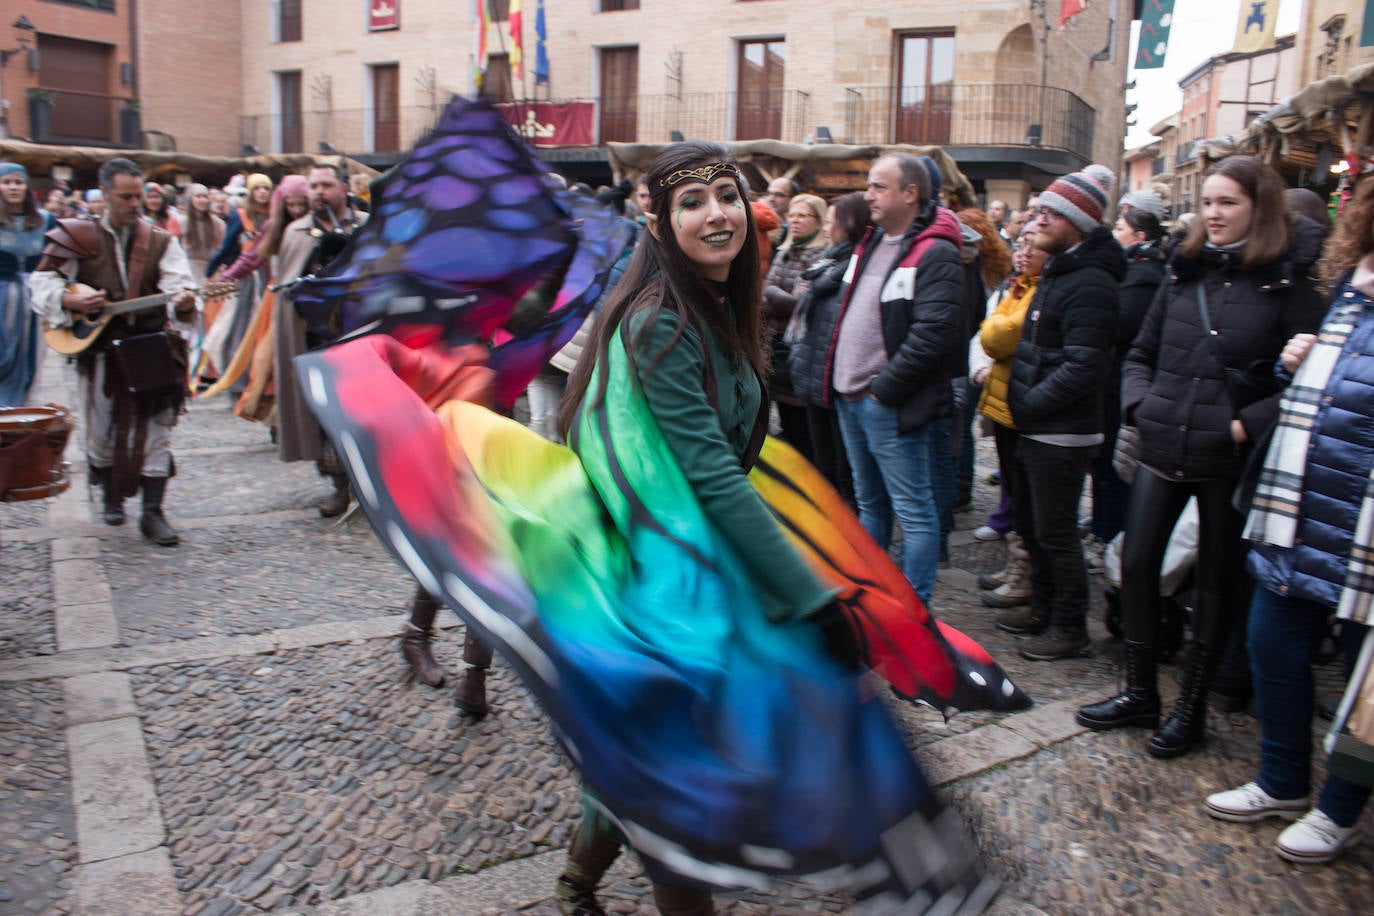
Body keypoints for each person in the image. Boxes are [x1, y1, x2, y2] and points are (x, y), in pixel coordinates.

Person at [1076, 155, 1326, 756]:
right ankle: (1141, 693)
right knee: (1136, 565)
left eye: (1228, 203)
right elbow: (1140, 353)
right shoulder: (1181, 274)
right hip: (1163, 444)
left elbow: (1308, 384)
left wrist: (1244, 427)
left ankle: (1190, 709)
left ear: (1256, 208)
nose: (1213, 213)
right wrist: (1141, 408)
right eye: (1208, 202)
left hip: (1226, 460)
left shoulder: (1291, 288)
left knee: (1214, 585)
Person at [1203, 178, 1374, 862]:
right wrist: (1291, 362)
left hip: (1363, 517)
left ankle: (1341, 809)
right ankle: (1282, 780)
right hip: (1308, 501)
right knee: (1273, 643)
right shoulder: (1352, 289)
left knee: (1369, 686)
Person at [27, 157, 197, 545]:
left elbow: (179, 286)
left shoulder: (160, 240)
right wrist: (73, 303)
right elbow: (41, 283)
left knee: (157, 432)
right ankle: (109, 491)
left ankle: (153, 514)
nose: (135, 203)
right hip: (100, 351)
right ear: (104, 195)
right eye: (125, 196)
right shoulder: (76, 235)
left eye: (139, 195)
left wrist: (185, 303)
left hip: (151, 347)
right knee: (101, 432)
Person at [823, 153, 965, 604]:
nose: (869, 195)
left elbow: (935, 334)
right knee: (870, 505)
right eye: (869, 185)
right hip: (851, 397)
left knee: (914, 511)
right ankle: (872, 596)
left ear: (910, 193)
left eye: (879, 186)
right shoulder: (870, 243)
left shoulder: (935, 251)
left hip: (885, 402)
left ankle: (913, 606)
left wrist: (883, 391)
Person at [999, 164, 1123, 661]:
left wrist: (1029, 405)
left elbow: (1084, 366)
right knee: (1032, 525)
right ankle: (1043, 610)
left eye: (1051, 212)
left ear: (1078, 221)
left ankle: (1069, 627)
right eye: (1040, 209)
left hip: (1062, 432)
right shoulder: (1059, 271)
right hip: (1039, 427)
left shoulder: (1091, 283)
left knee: (1055, 532)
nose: (1037, 219)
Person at [273, 164, 366, 516]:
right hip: (316, 338)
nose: (318, 192)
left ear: (343, 187)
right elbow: (287, 288)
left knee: (365, 414)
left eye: (326, 184)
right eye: (313, 185)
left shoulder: (367, 226)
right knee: (326, 415)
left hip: (360, 336)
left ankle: (371, 487)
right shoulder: (296, 232)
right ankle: (339, 487)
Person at [1083, 207, 1167, 570]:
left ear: (1140, 237)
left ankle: (1109, 532)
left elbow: (1119, 324)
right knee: (1100, 466)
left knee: (1113, 468)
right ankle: (1100, 525)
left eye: (1120, 228)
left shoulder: (1145, 276)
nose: (1114, 232)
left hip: (1121, 385)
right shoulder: (1129, 271)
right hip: (1109, 382)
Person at [976, 227, 1046, 610]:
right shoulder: (1017, 286)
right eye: (1021, 244)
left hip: (1024, 405)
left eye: (1032, 246)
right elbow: (991, 330)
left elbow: (1000, 335)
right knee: (1015, 490)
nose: (1023, 252)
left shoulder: (1037, 291)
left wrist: (996, 329)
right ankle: (1018, 565)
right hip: (1005, 401)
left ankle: (1027, 573)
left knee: (1030, 498)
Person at [786, 192, 867, 506]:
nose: (828, 228)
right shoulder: (830, 263)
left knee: (843, 473)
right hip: (816, 378)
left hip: (835, 383)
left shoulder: (852, 267)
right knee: (826, 469)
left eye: (832, 221)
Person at [762, 192, 828, 459]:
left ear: (819, 220)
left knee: (804, 426)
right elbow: (766, 292)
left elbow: (807, 302)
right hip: (777, 344)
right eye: (792, 215)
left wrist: (777, 295)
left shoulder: (823, 254)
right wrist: (784, 296)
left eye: (803, 215)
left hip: (803, 349)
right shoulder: (785, 251)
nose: (796, 221)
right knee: (786, 418)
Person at [0, 163, 55, 406]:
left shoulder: (44, 220)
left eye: (18, 182)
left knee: (31, 355)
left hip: (34, 297)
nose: (13, 187)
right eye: (7, 182)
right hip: (2, 297)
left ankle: (22, 409)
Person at [180, 183, 226, 285]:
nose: (202, 200)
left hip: (210, 270)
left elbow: (221, 248)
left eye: (205, 196)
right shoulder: (181, 222)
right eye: (198, 196)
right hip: (188, 268)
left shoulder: (218, 223)